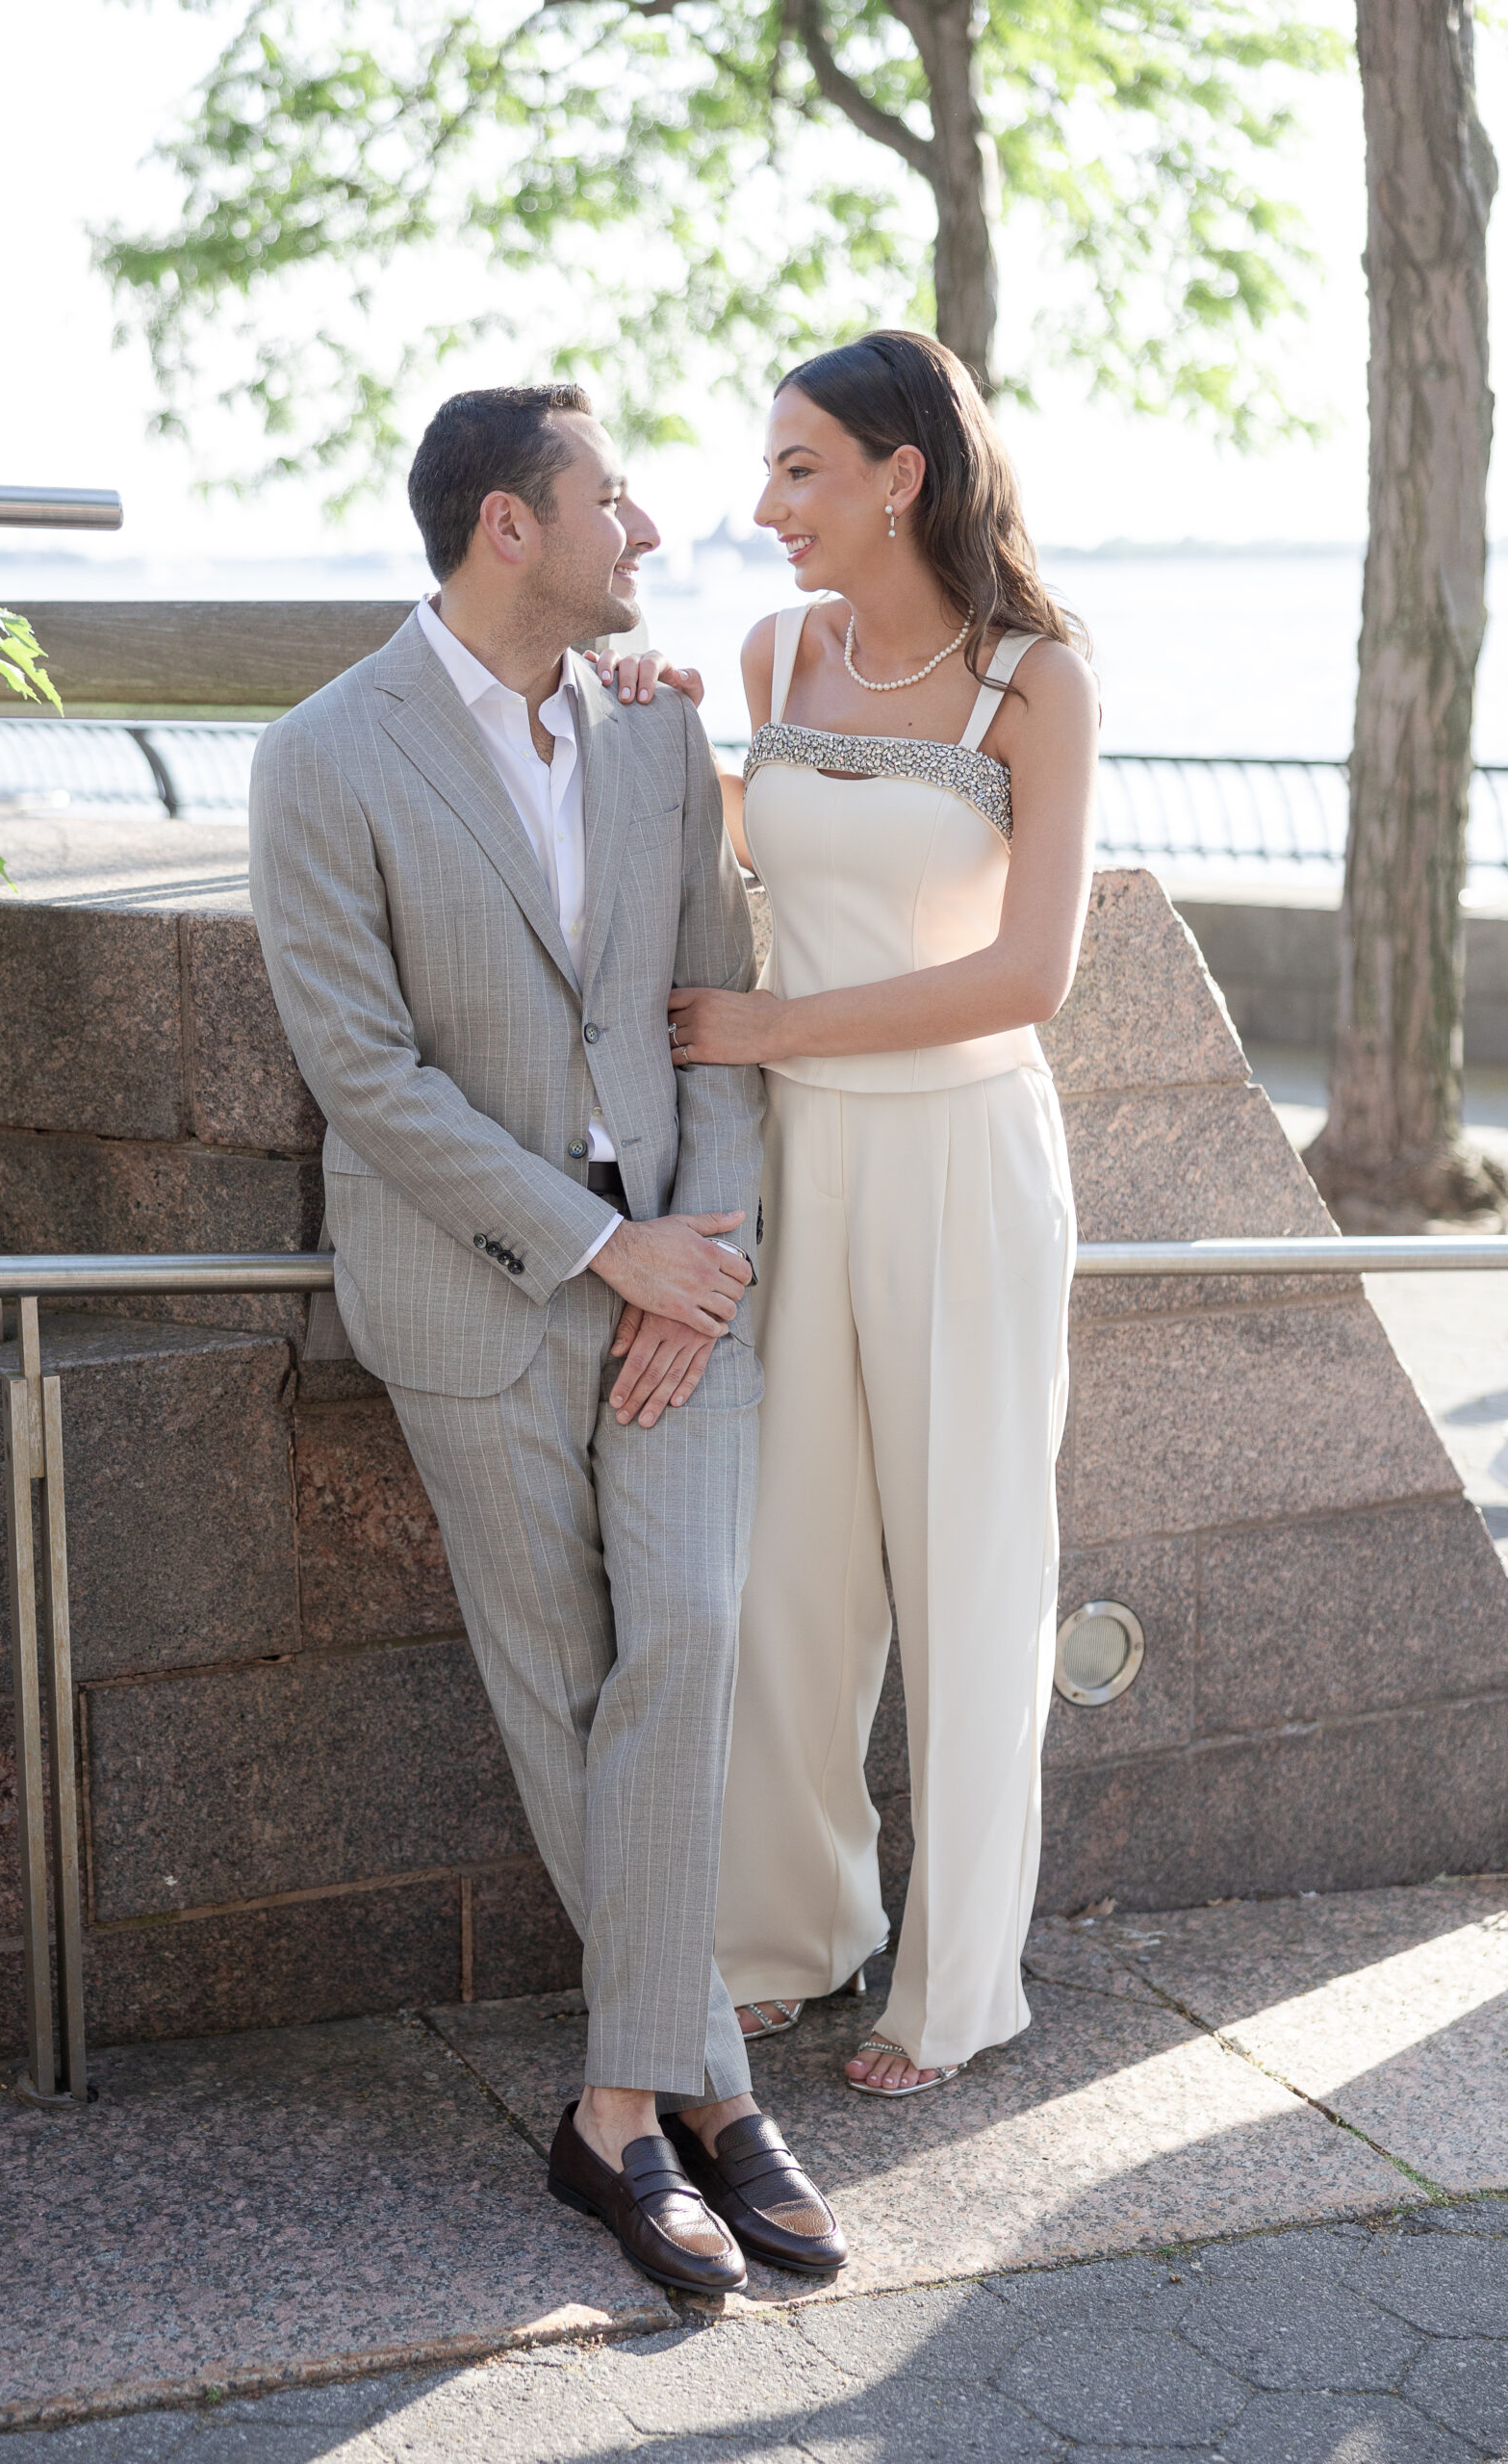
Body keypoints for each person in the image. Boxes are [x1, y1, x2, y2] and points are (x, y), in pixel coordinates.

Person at [248, 383, 846, 2287]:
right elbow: (364, 1073)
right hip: (482, 1288)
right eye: (614, 497)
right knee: (563, 1688)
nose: (651, 529)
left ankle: (615, 2111)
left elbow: (714, 1012)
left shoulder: (655, 730)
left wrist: (706, 1255)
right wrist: (605, 1251)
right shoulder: (320, 756)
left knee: (689, 1630)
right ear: (509, 526)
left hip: (686, 1277)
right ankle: (707, 2098)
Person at [600, 329, 1095, 2097]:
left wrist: (773, 1030)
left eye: (799, 468)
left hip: (965, 1164)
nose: (766, 506)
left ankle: (955, 1990)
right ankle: (786, 1935)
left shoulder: (1035, 681)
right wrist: (661, 738)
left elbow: (1031, 975)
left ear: (903, 474)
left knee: (970, 1570)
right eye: (768, 469)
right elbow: (786, 846)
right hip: (797, 1165)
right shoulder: (775, 651)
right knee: (788, 1572)